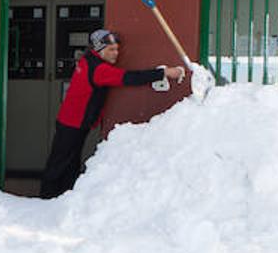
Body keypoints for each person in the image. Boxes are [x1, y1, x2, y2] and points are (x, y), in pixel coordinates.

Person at [39, 28, 185, 198]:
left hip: (76, 122)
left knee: (70, 163)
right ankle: (47, 198)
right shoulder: (99, 69)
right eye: (111, 50)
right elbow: (130, 78)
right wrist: (164, 72)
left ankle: (60, 197)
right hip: (73, 123)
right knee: (60, 163)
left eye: (117, 49)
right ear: (99, 50)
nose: (116, 53)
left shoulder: (90, 62)